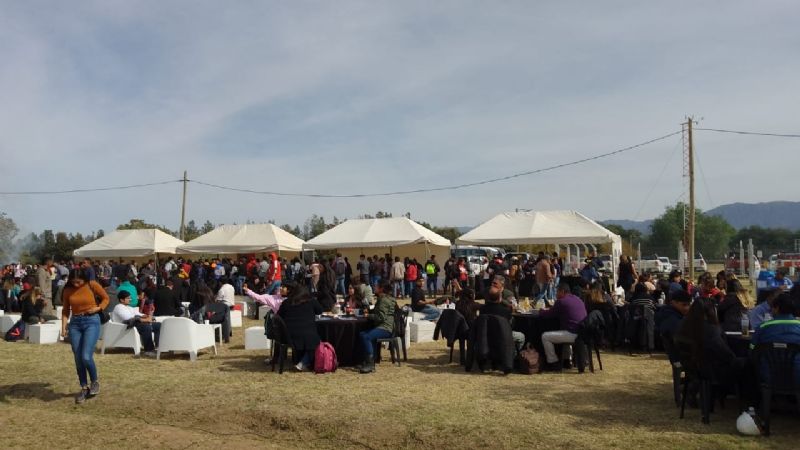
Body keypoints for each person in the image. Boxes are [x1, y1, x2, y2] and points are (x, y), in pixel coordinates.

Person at [674, 297, 756, 408]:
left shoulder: (683, 325)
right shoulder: (711, 330)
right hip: (711, 371)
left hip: (693, 368)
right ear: (711, 311)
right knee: (748, 364)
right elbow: (726, 354)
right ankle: (751, 402)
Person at [61, 268, 109, 404]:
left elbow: (106, 298)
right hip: (75, 323)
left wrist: (98, 308)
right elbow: (65, 310)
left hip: (91, 320)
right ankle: (84, 387)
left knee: (86, 356)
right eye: (74, 282)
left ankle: (94, 381)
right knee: (77, 357)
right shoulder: (67, 290)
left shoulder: (92, 285)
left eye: (79, 282)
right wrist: (63, 327)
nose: (77, 284)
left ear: (85, 279)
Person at [749, 293, 800, 377]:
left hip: (769, 378)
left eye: (772, 308)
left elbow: (752, 350)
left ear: (777, 308)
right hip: (797, 379)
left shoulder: (762, 327)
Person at [539, 283, 588, 371]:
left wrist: (540, 311)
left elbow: (549, 314)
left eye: (557, 291)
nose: (556, 294)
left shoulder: (561, 301)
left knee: (545, 336)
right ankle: (567, 360)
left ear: (562, 291)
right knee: (564, 332)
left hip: (573, 333)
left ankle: (552, 362)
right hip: (583, 332)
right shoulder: (578, 299)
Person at [277, 282, 323, 371]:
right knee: (317, 341)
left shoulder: (286, 302)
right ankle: (303, 363)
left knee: (309, 338)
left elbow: (279, 316)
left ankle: (300, 361)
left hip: (289, 335)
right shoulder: (311, 301)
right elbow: (320, 311)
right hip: (308, 334)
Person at [359, 280, 397, 374]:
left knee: (366, 336)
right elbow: (379, 312)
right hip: (384, 326)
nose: (374, 288)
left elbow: (380, 317)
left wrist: (368, 316)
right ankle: (370, 360)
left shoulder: (384, 300)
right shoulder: (384, 298)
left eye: (376, 287)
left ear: (381, 289)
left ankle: (370, 364)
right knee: (363, 334)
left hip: (385, 328)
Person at [480, 276, 525, 353]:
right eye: (492, 283)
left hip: (503, 322)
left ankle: (512, 355)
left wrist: (500, 298)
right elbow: (476, 294)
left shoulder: (508, 293)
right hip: (489, 324)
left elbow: (514, 306)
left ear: (502, 285)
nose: (492, 285)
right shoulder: (488, 290)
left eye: (495, 283)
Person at [111, 290, 161, 357]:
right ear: (122, 300)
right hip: (125, 327)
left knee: (158, 325)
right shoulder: (118, 307)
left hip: (134, 325)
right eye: (128, 298)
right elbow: (128, 318)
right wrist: (146, 320)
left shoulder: (129, 307)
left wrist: (148, 316)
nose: (130, 300)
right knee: (146, 327)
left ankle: (158, 346)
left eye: (130, 298)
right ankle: (148, 350)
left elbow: (139, 314)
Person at [655, 289, 692, 362]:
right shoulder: (673, 320)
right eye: (684, 305)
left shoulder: (667, 315)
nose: (687, 308)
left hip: (679, 356)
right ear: (673, 303)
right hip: (684, 358)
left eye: (689, 305)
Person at [214, 277, 235, 343]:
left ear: (220, 282)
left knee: (222, 321)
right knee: (228, 320)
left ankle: (222, 334)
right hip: (231, 304)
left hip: (224, 305)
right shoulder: (231, 287)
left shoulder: (222, 289)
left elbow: (218, 300)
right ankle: (229, 332)